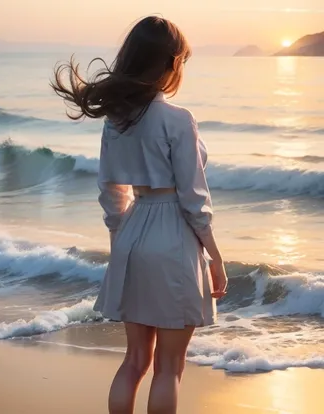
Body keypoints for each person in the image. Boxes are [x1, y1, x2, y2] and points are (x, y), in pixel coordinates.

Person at [51, 16, 228, 414]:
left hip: (134, 230)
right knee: (169, 367)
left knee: (134, 362)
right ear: (169, 63)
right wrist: (216, 258)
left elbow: (111, 191)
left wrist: (122, 243)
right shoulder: (179, 120)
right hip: (173, 240)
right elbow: (194, 199)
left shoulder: (118, 119)